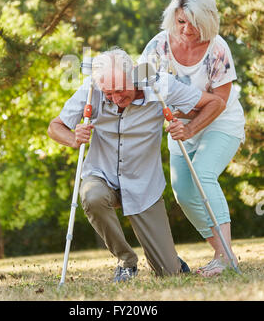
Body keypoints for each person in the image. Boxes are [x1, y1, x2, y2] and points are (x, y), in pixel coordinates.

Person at [48, 48, 225, 282]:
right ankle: (125, 260)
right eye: (108, 93)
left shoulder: (160, 84)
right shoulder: (92, 90)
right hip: (103, 175)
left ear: (133, 74)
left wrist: (189, 129)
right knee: (91, 196)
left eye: (120, 90)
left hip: (143, 183)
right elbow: (55, 126)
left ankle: (170, 259)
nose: (116, 98)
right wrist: (74, 138)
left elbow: (215, 103)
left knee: (169, 274)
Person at [140, 0, 245, 277]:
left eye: (195, 23)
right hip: (181, 126)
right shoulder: (158, 46)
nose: (186, 30)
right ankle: (222, 253)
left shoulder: (217, 49)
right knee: (184, 192)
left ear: (207, 20)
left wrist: (190, 126)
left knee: (203, 174)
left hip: (220, 121)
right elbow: (141, 86)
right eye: (181, 21)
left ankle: (226, 258)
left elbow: (220, 102)